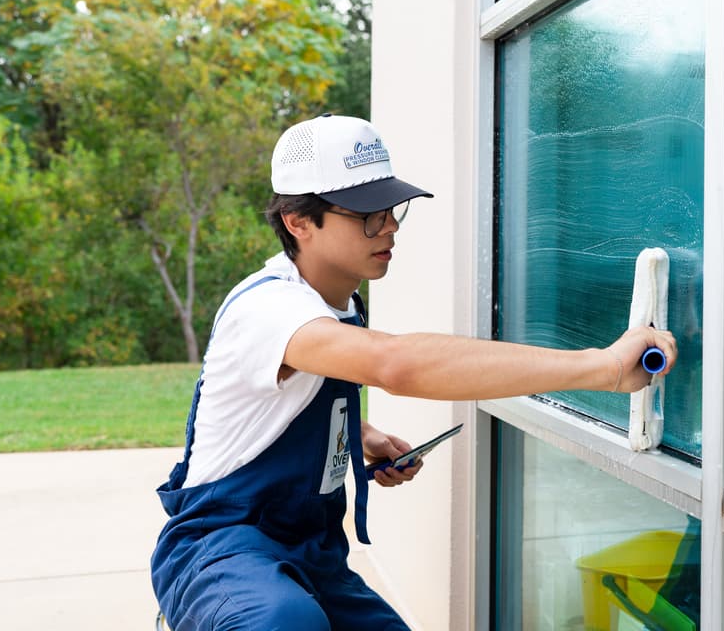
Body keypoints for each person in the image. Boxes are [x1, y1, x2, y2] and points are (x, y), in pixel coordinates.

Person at [149, 113, 677, 631]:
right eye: (367, 215)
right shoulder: (268, 310)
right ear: (299, 221)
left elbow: (274, 410)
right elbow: (395, 365)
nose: (390, 226)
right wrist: (604, 367)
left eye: (392, 208)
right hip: (221, 550)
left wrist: (357, 437)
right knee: (283, 620)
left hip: (312, 557)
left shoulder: (342, 305)